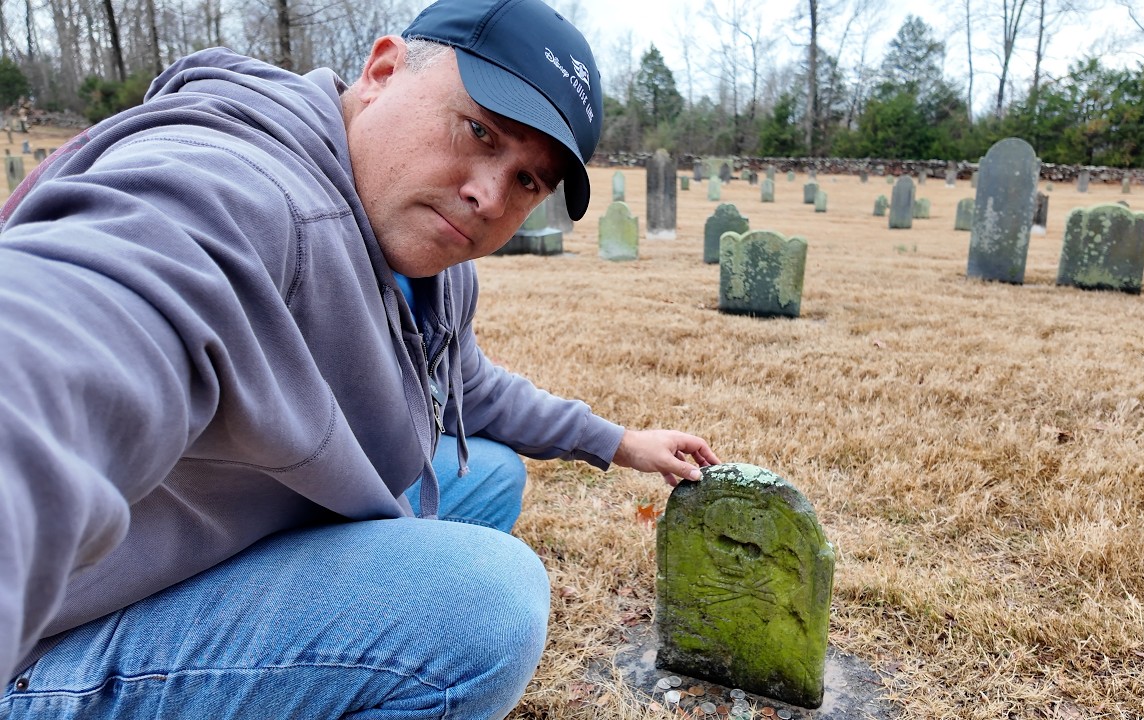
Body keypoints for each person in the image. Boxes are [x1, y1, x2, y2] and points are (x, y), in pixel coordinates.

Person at [0, 0, 718, 717]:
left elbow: (466, 384)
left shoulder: (429, 261)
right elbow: (75, 336)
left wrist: (618, 442)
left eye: (530, 180)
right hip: (69, 631)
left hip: (229, 531)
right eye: (479, 130)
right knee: (488, 603)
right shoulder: (244, 188)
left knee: (491, 473)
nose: (488, 197)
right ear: (381, 71)